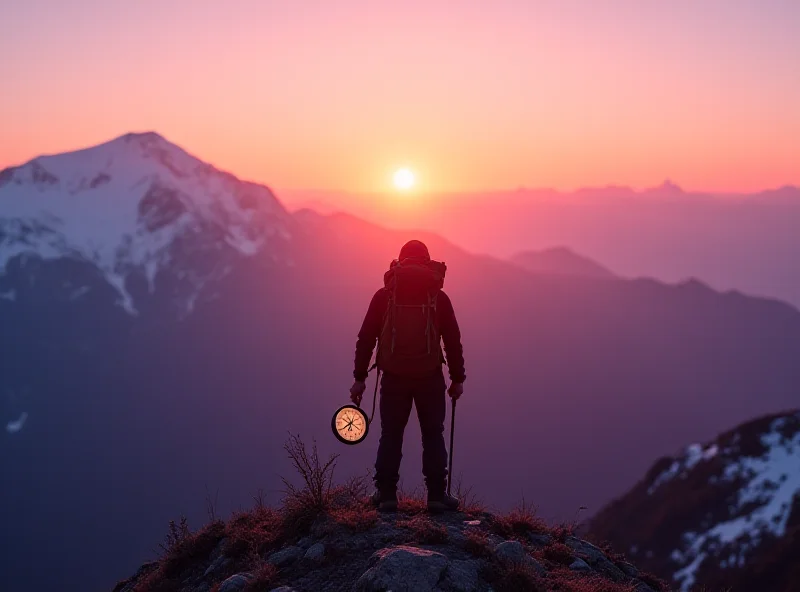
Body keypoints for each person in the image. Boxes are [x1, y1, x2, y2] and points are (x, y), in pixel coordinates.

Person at [350, 240, 466, 512]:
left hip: (393, 377)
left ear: (399, 262)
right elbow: (452, 339)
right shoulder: (438, 296)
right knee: (433, 434)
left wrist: (359, 378)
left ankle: (387, 494)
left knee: (391, 434)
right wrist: (457, 379)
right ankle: (437, 496)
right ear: (427, 262)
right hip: (430, 376)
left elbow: (366, 338)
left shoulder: (384, 296)